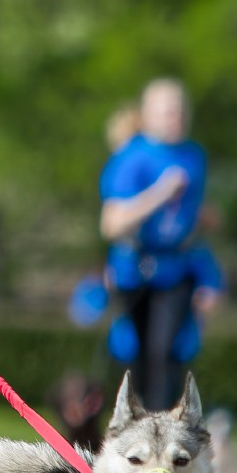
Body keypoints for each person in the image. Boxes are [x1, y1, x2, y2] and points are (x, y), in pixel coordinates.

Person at [98, 79, 224, 413]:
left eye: (181, 110)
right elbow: (111, 223)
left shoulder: (194, 156)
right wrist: (160, 194)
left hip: (176, 269)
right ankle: (128, 432)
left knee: (167, 351)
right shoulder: (132, 157)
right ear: (148, 115)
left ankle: (163, 431)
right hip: (134, 270)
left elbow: (185, 223)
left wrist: (210, 276)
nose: (176, 117)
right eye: (168, 111)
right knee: (132, 352)